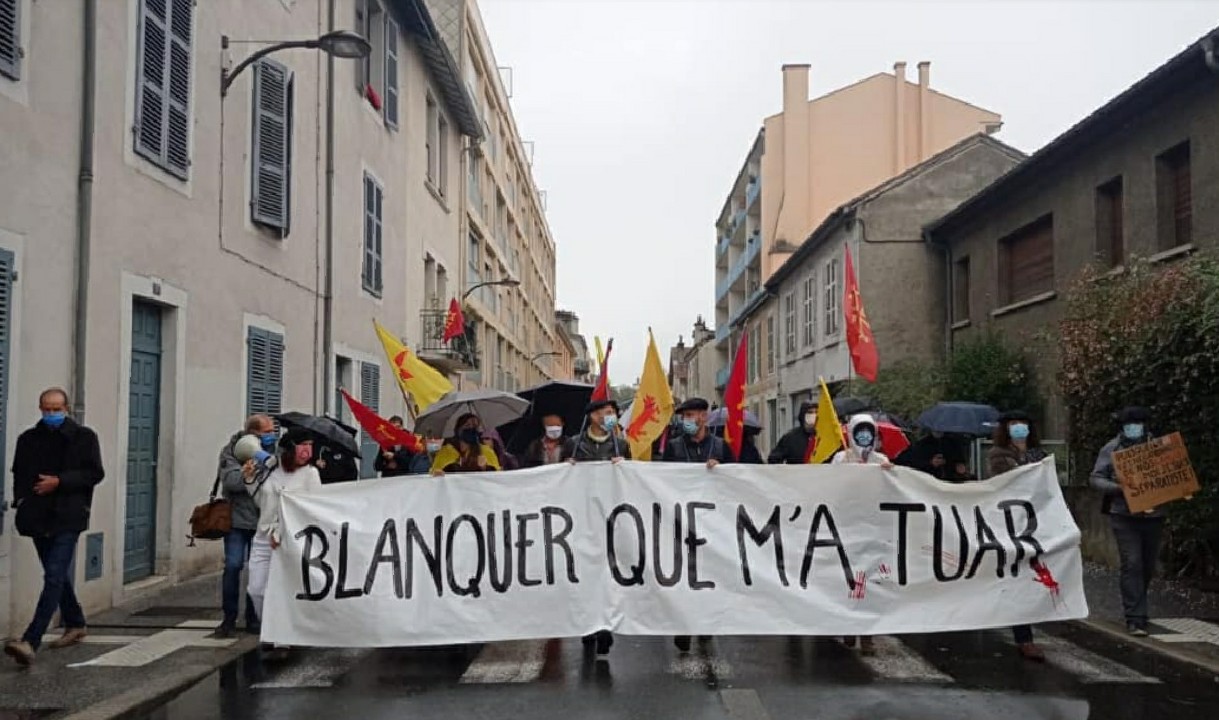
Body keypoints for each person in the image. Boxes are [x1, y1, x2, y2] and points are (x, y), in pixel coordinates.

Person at [5, 388, 105, 666]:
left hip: (68, 516)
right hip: (37, 516)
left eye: (56, 409)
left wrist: (60, 481)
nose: (51, 414)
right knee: (55, 574)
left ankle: (30, 640)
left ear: (67, 408)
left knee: (53, 576)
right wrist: (21, 501)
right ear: (40, 408)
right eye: (46, 409)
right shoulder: (28, 439)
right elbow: (19, 473)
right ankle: (75, 622)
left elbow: (94, 473)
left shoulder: (85, 438)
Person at [658, 398, 729, 653]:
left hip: (712, 523)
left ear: (704, 416)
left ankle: (705, 623)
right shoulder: (675, 447)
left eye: (691, 415)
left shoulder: (720, 446)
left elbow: (737, 480)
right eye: (684, 416)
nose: (688, 420)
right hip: (681, 521)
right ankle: (684, 625)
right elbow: (662, 479)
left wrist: (722, 470)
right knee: (684, 575)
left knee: (708, 576)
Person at [1090, 406, 1165, 637]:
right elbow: (1096, 478)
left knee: (1147, 565)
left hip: (1154, 515)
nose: (1134, 428)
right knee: (1132, 563)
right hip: (1123, 515)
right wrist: (1119, 489)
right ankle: (1135, 617)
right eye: (1129, 424)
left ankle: (1138, 607)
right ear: (1122, 427)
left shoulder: (1160, 448)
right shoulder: (1111, 449)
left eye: (1138, 423)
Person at [563, 399, 628, 655]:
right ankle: (588, 626)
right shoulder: (574, 443)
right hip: (582, 517)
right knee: (585, 573)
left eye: (612, 413)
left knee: (607, 574)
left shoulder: (620, 444)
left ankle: (604, 627)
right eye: (605, 412)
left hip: (610, 519)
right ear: (592, 416)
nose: (610, 416)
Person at [987, 410, 1047, 662]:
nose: (1019, 427)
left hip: (1036, 522)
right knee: (1015, 577)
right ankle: (1024, 638)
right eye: (1014, 424)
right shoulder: (998, 455)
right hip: (1009, 523)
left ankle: (1026, 634)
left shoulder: (1039, 455)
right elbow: (1012, 480)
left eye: (1023, 423)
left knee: (1031, 577)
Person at [831, 414, 892, 656]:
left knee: (871, 582)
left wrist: (889, 472)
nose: (863, 436)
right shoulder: (841, 458)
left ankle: (867, 635)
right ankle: (849, 626)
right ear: (852, 433)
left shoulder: (881, 460)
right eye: (859, 431)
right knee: (849, 580)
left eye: (868, 431)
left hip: (874, 528)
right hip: (848, 527)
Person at [247, 427, 323, 622]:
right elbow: (261, 502)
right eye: (303, 445)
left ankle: (280, 636)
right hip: (264, 537)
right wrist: (249, 480)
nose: (307, 451)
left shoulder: (310, 474)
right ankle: (268, 626)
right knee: (256, 590)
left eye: (310, 446)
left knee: (286, 591)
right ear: (289, 448)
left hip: (291, 540)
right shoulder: (271, 468)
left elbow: (310, 510)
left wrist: (281, 531)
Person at [214, 414, 278, 638]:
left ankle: (254, 618)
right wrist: (254, 470)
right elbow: (231, 482)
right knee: (233, 567)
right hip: (238, 520)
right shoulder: (231, 451)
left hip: (263, 520)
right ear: (254, 434)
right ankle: (229, 618)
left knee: (258, 570)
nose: (272, 435)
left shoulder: (274, 451)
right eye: (268, 432)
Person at [430, 413, 501, 475]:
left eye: (475, 426)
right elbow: (434, 474)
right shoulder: (445, 452)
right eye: (467, 425)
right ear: (458, 430)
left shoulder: (486, 451)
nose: (471, 428)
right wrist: (438, 474)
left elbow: (497, 477)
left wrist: (485, 468)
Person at [565, 400, 630, 463]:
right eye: (609, 413)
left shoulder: (621, 445)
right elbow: (561, 470)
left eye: (614, 413)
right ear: (594, 415)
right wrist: (567, 464)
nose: (613, 417)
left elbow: (629, 471)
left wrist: (624, 463)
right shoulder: (574, 443)